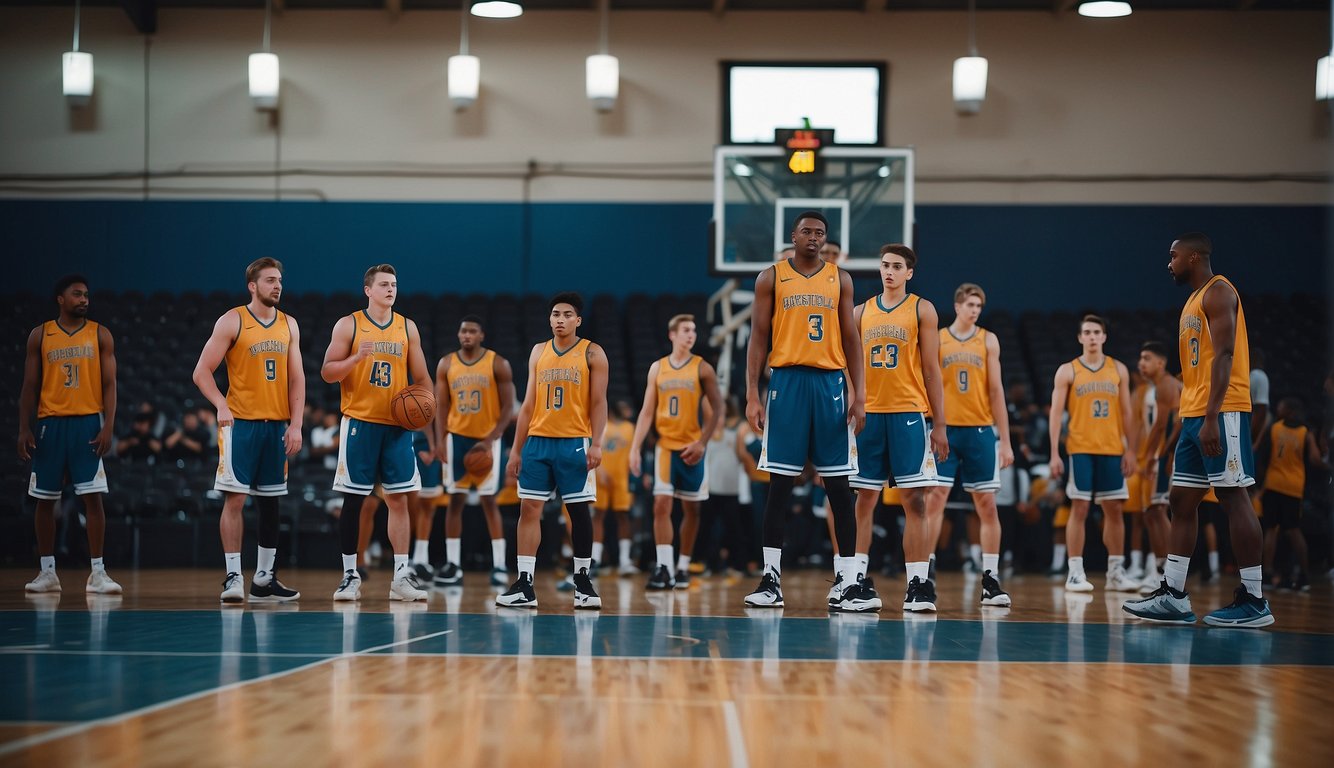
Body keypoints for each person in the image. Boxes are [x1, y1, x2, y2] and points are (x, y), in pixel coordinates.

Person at [1124, 232, 1272, 627]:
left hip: (1220, 411)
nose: (1168, 263)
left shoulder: (1219, 292)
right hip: (1194, 413)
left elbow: (1224, 354)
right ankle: (1173, 594)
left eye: (1173, 256)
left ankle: (1255, 599)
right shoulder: (1191, 300)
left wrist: (1210, 417)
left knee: (1233, 496)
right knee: (1181, 500)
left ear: (1193, 257)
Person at [743, 211, 867, 611]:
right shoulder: (771, 277)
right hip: (787, 382)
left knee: (838, 487)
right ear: (793, 236)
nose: (814, 238)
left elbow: (851, 338)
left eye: (821, 233)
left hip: (830, 382)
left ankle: (847, 580)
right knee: (780, 484)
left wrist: (859, 394)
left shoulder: (841, 278)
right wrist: (752, 394)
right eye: (807, 232)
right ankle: (770, 579)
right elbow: (758, 336)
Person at [192, 257, 305, 603]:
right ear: (253, 286)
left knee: (271, 503)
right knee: (236, 499)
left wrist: (296, 423)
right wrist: (220, 404)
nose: (277, 286)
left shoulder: (289, 324)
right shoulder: (233, 320)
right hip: (240, 424)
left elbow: (297, 378)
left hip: (276, 426)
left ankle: (264, 579)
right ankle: (232, 576)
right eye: (270, 280)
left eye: (280, 281)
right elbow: (201, 372)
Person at [320, 264, 432, 602]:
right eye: (383, 284)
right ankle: (350, 575)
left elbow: (423, 379)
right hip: (360, 423)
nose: (390, 289)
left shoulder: (407, 327)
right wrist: (355, 359)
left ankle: (401, 576)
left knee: (399, 499)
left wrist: (424, 408)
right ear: (368, 289)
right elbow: (327, 372)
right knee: (354, 499)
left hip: (397, 427)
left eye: (394, 284)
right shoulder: (349, 324)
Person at [850, 244, 948, 612]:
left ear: (909, 273)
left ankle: (918, 584)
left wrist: (939, 423)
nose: (889, 271)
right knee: (864, 500)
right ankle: (854, 578)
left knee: (915, 502)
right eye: (884, 265)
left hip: (908, 412)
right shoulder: (860, 312)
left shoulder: (922, 309)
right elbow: (848, 364)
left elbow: (932, 370)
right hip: (870, 415)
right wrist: (853, 402)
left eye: (896, 266)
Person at [498, 292, 609, 610]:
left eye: (567, 314)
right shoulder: (538, 352)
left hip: (574, 441)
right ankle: (524, 583)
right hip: (538, 442)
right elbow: (529, 404)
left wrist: (597, 442)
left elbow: (599, 402)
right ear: (549, 319)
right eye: (555, 314)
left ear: (578, 320)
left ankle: (583, 581)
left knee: (577, 511)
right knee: (528, 510)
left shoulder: (593, 353)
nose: (560, 319)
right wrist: (516, 450)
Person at [18, 274, 120, 595]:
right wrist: (24, 428)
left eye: (87, 294)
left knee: (93, 498)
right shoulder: (41, 335)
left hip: (88, 422)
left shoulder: (100, 334)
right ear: (60, 299)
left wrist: (108, 425)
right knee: (45, 501)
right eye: (77, 294)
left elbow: (110, 385)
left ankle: (98, 573)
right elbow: (29, 387)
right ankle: (47, 572)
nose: (84, 299)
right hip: (51, 423)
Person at [925, 283, 1013, 607]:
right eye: (970, 304)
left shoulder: (988, 339)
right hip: (946, 430)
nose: (975, 310)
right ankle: (926, 569)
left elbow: (996, 391)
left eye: (979, 306)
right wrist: (933, 424)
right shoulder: (939, 339)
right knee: (934, 501)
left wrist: (1004, 440)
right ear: (958, 305)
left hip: (979, 430)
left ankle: (991, 578)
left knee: (987, 505)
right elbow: (928, 383)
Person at [629, 314, 725, 590]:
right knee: (661, 505)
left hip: (692, 447)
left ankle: (683, 565)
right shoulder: (657, 368)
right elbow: (647, 412)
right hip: (665, 447)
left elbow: (717, 409)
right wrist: (635, 447)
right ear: (672, 335)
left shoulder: (702, 368)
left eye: (694, 330)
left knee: (692, 509)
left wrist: (702, 442)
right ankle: (664, 567)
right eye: (685, 330)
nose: (690, 334)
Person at [1048, 315, 1137, 593]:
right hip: (1080, 448)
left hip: (1112, 448)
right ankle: (1075, 572)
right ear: (1080, 337)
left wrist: (1131, 450)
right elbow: (1055, 414)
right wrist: (1054, 453)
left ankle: (1116, 571)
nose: (1092, 337)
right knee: (1080, 508)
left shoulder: (1118, 369)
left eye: (1097, 332)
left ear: (1104, 336)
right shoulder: (1068, 370)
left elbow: (1127, 412)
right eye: (1087, 332)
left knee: (1114, 509)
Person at [433, 316, 516, 588]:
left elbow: (508, 409)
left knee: (489, 502)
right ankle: (453, 565)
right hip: (456, 439)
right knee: (454, 501)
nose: (466, 335)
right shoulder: (446, 363)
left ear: (481, 335)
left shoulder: (498, 363)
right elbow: (441, 406)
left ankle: (500, 566)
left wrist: (491, 439)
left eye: (471, 331)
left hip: (486, 441)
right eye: (462, 330)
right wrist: (439, 439)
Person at [1257, 398, 1327, 591]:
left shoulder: (1275, 428)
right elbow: (1315, 459)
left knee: (1270, 529)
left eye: (1281, 405)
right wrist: (1327, 464)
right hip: (1293, 488)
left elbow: (1263, 459)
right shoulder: (1305, 432)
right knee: (1294, 531)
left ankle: (1268, 575)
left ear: (1289, 410)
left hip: (1273, 484)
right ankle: (1303, 576)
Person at [1135, 341, 1181, 592]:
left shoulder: (1165, 384)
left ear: (1161, 363)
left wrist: (1154, 455)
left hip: (1162, 455)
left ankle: (1170, 572)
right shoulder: (1154, 387)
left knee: (1158, 510)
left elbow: (1165, 426)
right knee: (1152, 513)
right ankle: (1160, 569)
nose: (1141, 363)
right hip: (1160, 454)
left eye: (1147, 358)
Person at [596, 400, 638, 578]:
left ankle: (624, 560)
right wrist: (599, 471)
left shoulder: (630, 427)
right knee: (598, 516)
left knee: (623, 517)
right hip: (602, 478)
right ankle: (594, 559)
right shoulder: (602, 425)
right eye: (623, 406)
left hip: (622, 478)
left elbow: (635, 452)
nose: (627, 409)